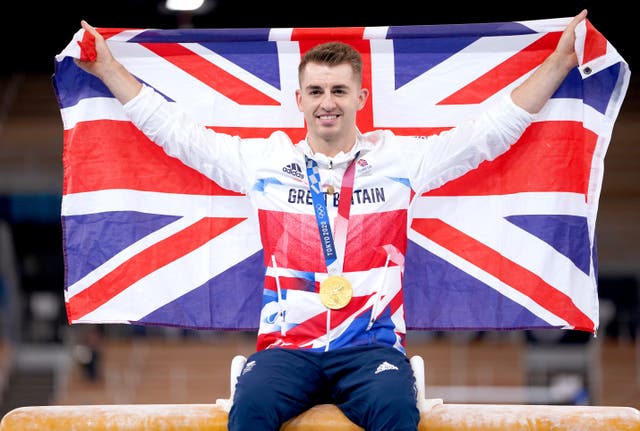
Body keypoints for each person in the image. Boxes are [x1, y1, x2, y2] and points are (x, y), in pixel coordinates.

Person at [75, 10, 588, 431]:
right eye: (317, 92)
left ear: (361, 98)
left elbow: (489, 133)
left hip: (370, 348)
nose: (327, 103)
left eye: (339, 91)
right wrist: (108, 69)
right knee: (247, 411)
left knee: (395, 412)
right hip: (286, 348)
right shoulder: (266, 163)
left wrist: (560, 62)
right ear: (299, 100)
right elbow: (176, 133)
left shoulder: (401, 163)